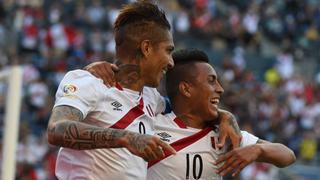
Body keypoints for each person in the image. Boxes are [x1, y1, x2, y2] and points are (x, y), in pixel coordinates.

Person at [87, 49, 296, 179]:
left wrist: (258, 151)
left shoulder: (222, 133)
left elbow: (287, 156)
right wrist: (96, 69)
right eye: (212, 81)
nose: (221, 89)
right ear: (186, 89)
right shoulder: (150, 122)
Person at [47, 1, 177, 179]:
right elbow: (56, 130)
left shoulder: (152, 98)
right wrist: (127, 138)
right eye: (168, 51)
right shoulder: (90, 82)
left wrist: (224, 117)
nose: (171, 63)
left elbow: (188, 110)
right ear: (146, 48)